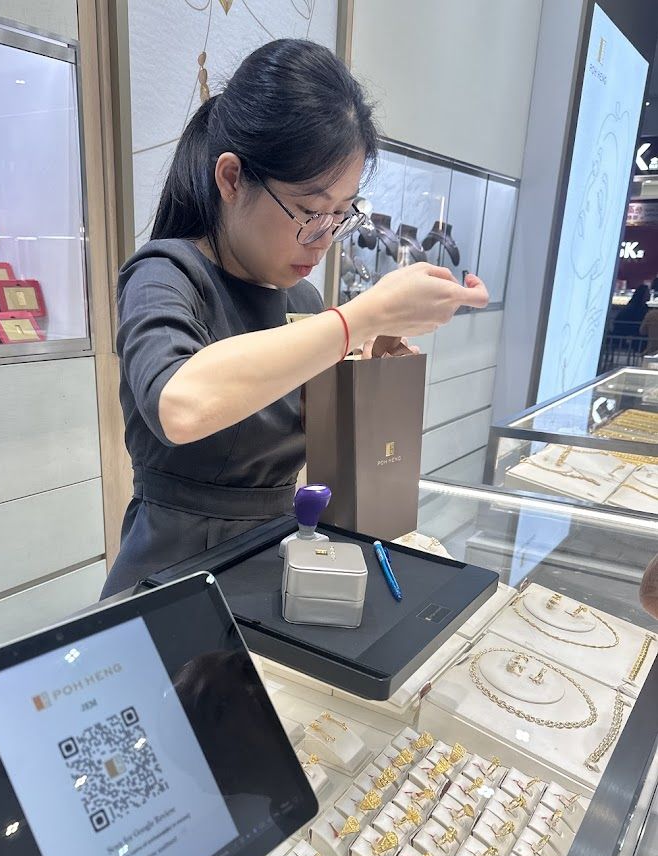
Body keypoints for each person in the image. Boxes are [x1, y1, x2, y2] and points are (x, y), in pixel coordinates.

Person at [100, 39, 488, 598]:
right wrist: (357, 320)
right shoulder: (164, 274)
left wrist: (371, 373)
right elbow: (180, 405)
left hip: (274, 561)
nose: (324, 239)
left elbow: (347, 469)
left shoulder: (302, 302)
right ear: (231, 179)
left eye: (340, 214)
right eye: (310, 211)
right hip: (174, 573)